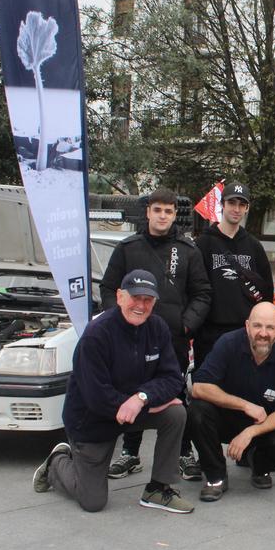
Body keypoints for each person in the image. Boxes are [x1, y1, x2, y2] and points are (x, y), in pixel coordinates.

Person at [33, 270, 194, 514]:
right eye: (135, 298)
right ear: (119, 297)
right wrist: (138, 403)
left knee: (176, 412)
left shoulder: (158, 327)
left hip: (132, 410)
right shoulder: (97, 335)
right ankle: (57, 463)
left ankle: (158, 489)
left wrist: (142, 399)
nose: (141, 305)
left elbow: (172, 378)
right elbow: (96, 397)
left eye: (148, 299)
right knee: (93, 502)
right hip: (92, 419)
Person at [100, 188, 212, 482]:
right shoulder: (128, 248)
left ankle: (184, 452)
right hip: (132, 337)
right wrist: (120, 321)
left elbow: (202, 293)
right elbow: (109, 289)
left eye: (169, 211)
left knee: (176, 395)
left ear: (176, 215)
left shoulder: (188, 250)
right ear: (148, 211)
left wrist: (185, 324)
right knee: (132, 392)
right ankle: (130, 453)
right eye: (157, 210)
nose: (163, 216)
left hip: (172, 338)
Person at [188, 302, 275, 500]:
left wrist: (251, 432)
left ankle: (259, 465)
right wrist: (245, 405)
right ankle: (215, 476)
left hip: (262, 425)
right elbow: (199, 387)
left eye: (270, 327)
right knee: (196, 412)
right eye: (257, 326)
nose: (263, 333)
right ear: (247, 326)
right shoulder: (228, 343)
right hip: (226, 419)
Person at [195, 181, 274, 365]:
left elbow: (267, 292)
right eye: (232, 203)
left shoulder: (254, 246)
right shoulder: (203, 244)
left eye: (242, 204)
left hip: (245, 333)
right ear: (222, 205)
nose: (236, 209)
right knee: (207, 389)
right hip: (209, 334)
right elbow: (194, 288)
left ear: (247, 208)